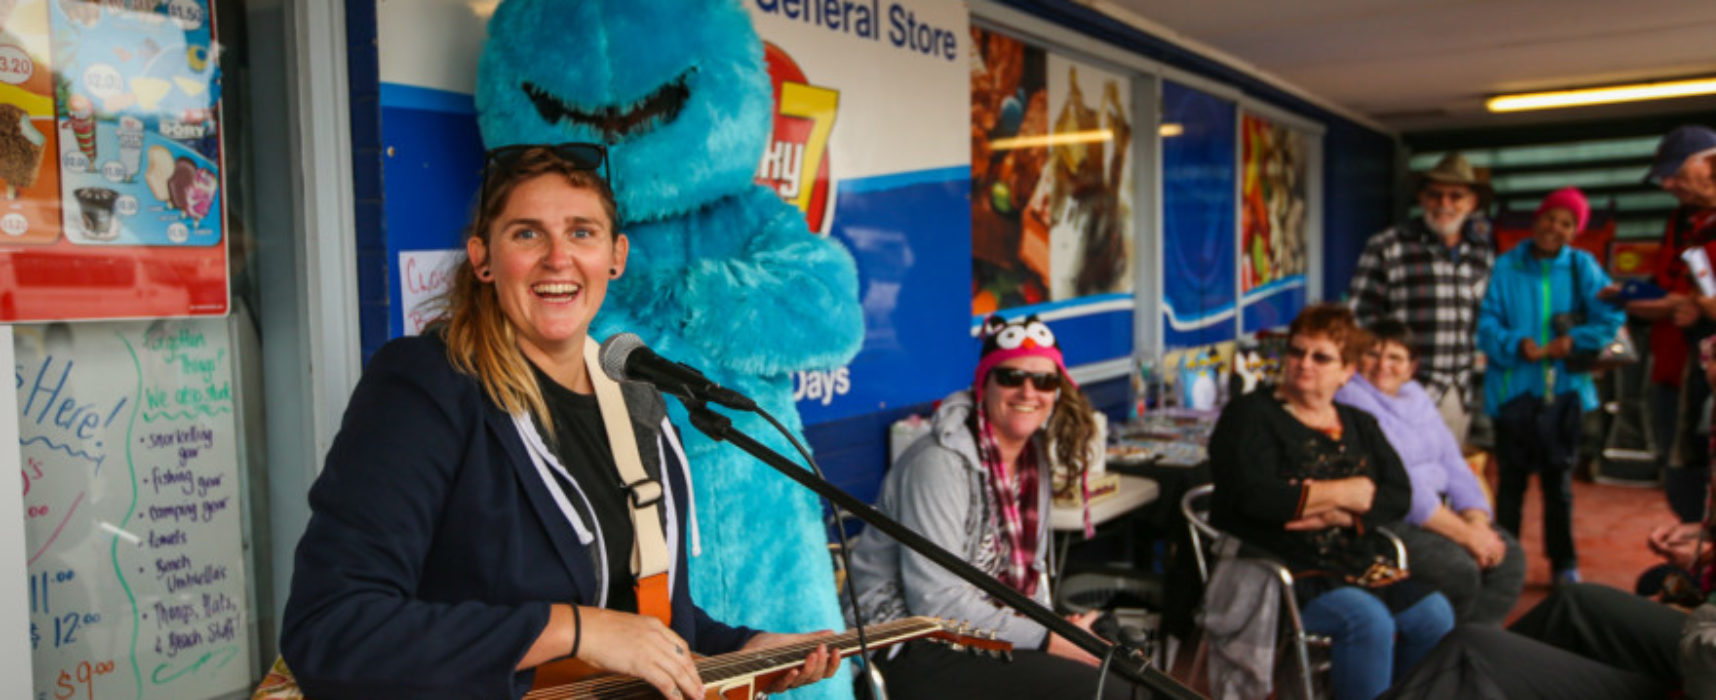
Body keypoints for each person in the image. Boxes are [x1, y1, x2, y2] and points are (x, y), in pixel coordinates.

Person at [277, 145, 839, 700]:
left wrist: (741, 649)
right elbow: (333, 629)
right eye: (527, 233)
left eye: (581, 232)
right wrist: (570, 629)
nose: (557, 257)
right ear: (482, 259)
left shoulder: (635, 400)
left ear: (615, 256)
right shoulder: (427, 386)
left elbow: (639, 614)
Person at [846, 315, 1139, 700]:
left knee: (1131, 669)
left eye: (1045, 380)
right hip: (906, 644)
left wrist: (1064, 631)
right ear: (983, 384)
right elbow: (937, 605)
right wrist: (1051, 638)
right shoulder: (938, 462)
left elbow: (1031, 578)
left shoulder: (1033, 459)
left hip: (983, 636)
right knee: (1107, 691)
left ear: (1058, 392)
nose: (1028, 392)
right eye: (1011, 377)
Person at [1209, 303, 1454, 700]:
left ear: (1347, 371)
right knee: (1367, 620)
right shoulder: (1249, 415)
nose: (1304, 364)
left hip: (1355, 560)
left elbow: (1398, 494)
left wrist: (1329, 513)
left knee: (1434, 614)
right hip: (1278, 567)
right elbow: (1256, 496)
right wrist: (1346, 493)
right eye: (1296, 352)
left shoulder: (1359, 422)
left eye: (1321, 357)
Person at [1476, 186, 1624, 585]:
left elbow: (1610, 319)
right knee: (1510, 485)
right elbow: (1485, 324)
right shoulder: (1506, 266)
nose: (1553, 228)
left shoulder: (1583, 267)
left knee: (1559, 487)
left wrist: (1572, 342)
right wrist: (1514, 344)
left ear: (1574, 230)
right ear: (1536, 219)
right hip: (1513, 393)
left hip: (1565, 393)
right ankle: (1505, 562)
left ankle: (1564, 565)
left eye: (1565, 222)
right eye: (1549, 218)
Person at [1335, 319, 1525, 624]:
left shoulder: (1416, 396)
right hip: (1395, 517)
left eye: (1395, 357)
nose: (1383, 365)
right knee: (1459, 569)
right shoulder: (1352, 398)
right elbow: (1402, 483)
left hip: (1442, 513)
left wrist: (1477, 519)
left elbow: (1453, 462)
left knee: (1509, 559)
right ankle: (1448, 657)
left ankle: (1475, 649)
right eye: (1372, 354)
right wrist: (1466, 536)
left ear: (1411, 366)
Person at [1347, 152, 1495, 443]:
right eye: (1435, 195)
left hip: (1459, 391)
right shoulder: (1389, 245)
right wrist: (1382, 373)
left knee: (1446, 476)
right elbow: (1360, 317)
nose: (1444, 204)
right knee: (1400, 477)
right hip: (1400, 387)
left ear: (1472, 203)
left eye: (1456, 196)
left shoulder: (1481, 254)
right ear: (1422, 198)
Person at [1635, 125, 1716, 526]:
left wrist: (1700, 305)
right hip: (1672, 374)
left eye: (1677, 174)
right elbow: (1665, 285)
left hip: (1709, 382)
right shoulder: (1682, 220)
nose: (1668, 184)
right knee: (1682, 487)